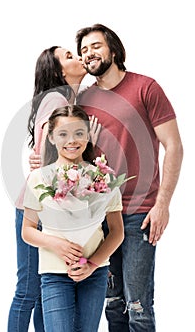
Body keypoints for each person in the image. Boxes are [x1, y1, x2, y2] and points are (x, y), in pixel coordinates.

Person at [74, 24, 184, 331]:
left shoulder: (145, 87)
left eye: (95, 46)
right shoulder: (83, 99)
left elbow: (173, 146)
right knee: (113, 305)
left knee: (138, 306)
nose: (88, 54)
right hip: (99, 215)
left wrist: (162, 205)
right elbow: (67, 149)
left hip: (139, 213)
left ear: (113, 49)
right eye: (83, 51)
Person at [8, 46, 101, 331]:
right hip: (39, 207)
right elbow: (48, 158)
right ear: (60, 72)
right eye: (70, 56)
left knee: (42, 289)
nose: (79, 57)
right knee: (28, 289)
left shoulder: (71, 101)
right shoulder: (55, 98)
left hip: (55, 207)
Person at [22, 105, 124, 332]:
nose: (72, 140)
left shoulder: (103, 177)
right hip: (54, 273)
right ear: (51, 137)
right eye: (63, 134)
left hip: (94, 273)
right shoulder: (38, 178)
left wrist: (93, 263)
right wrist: (56, 243)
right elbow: (27, 230)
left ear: (88, 136)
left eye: (79, 133)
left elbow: (117, 232)